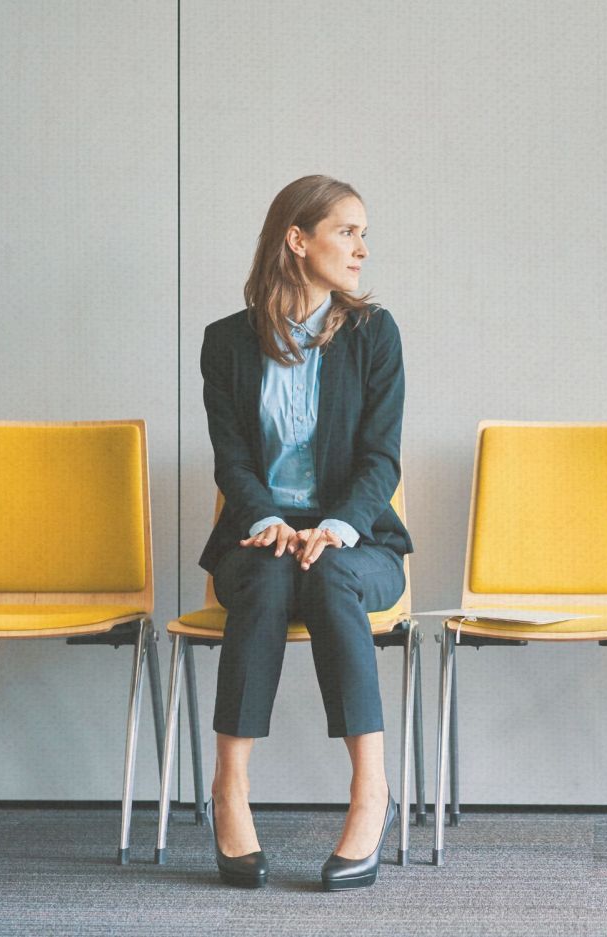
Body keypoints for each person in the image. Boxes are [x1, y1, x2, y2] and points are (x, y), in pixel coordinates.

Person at [198, 174, 412, 890]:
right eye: (347, 230)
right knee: (263, 574)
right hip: (259, 537)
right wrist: (265, 520)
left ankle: (371, 794)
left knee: (326, 572)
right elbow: (231, 457)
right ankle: (229, 788)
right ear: (298, 239)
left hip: (358, 541)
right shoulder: (226, 343)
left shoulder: (374, 335)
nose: (362, 247)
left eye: (363, 233)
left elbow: (382, 457)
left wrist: (338, 526)